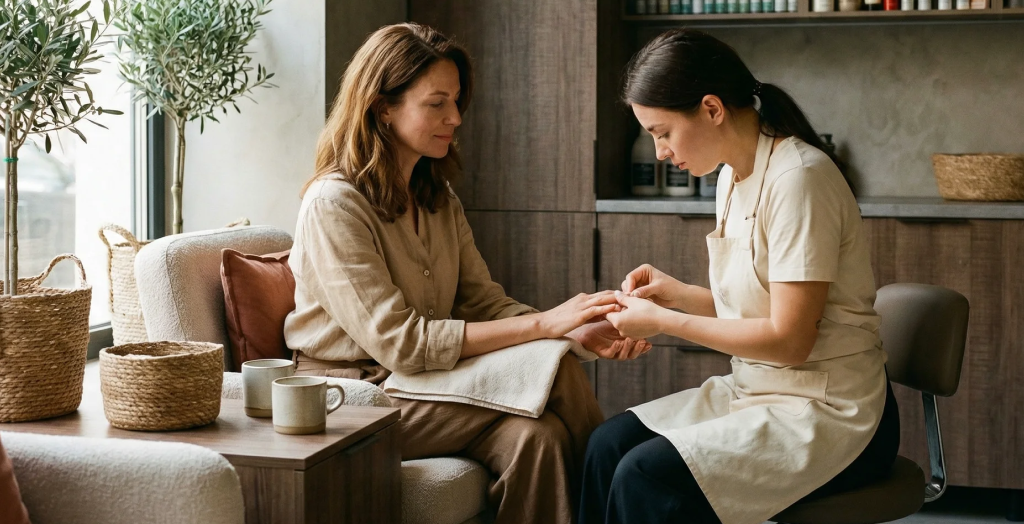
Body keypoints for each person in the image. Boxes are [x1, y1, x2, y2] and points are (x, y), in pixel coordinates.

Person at [283, 23, 650, 524]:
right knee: (557, 370)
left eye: (456, 102)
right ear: (381, 106)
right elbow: (401, 344)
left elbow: (484, 303)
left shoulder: (438, 199)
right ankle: (623, 501)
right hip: (353, 398)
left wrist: (575, 330)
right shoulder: (334, 205)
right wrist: (547, 328)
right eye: (436, 103)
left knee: (536, 439)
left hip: (423, 385)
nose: (455, 118)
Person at [579, 29, 900, 524]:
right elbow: (762, 308)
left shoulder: (799, 179)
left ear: (711, 109)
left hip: (832, 408)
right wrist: (678, 296)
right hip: (759, 389)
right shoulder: (732, 173)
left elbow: (789, 340)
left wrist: (664, 321)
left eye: (662, 132)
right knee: (606, 445)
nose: (660, 152)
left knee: (645, 475)